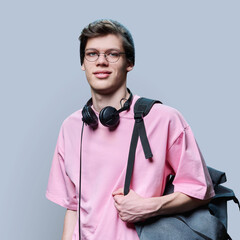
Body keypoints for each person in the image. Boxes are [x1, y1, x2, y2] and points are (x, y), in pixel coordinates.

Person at [46, 19, 215, 240]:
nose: (101, 61)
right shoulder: (71, 126)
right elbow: (73, 207)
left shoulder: (163, 119)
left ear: (130, 63)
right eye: (92, 54)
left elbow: (200, 190)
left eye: (113, 54)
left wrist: (152, 206)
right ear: (83, 63)